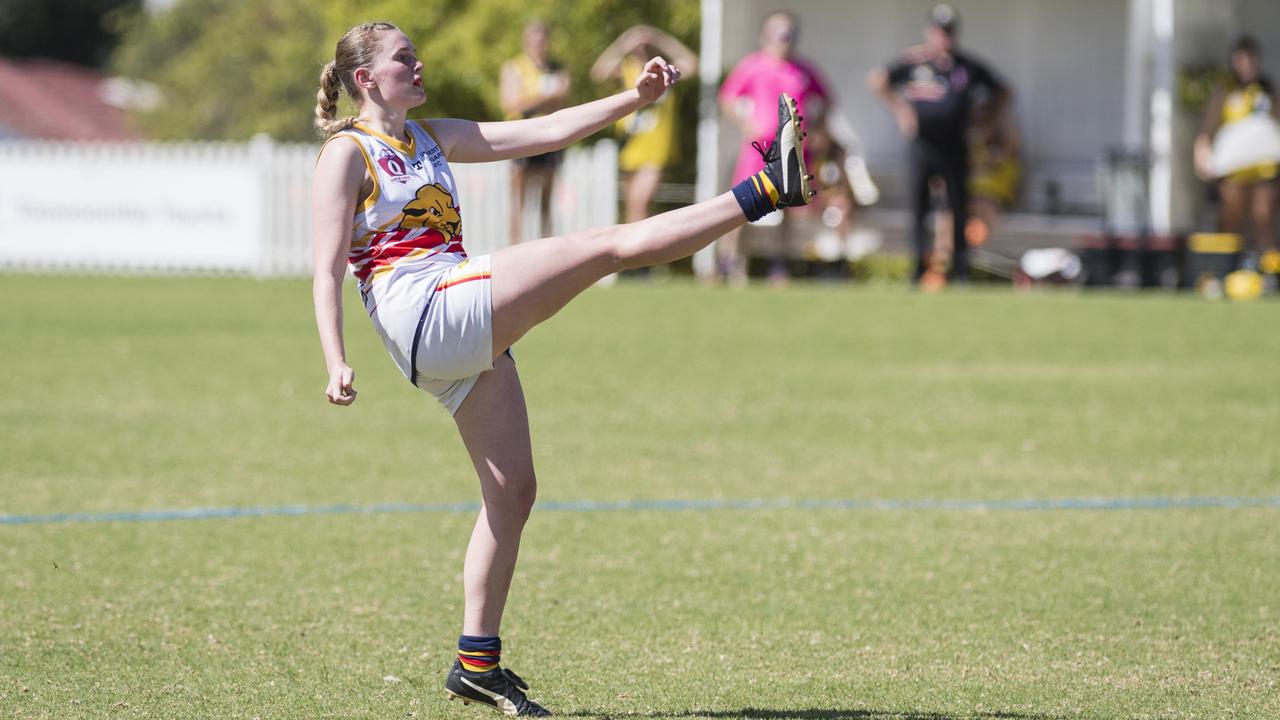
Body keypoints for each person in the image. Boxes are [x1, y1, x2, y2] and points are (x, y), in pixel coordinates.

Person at [311, 21, 813, 716]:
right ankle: (764, 190)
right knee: (604, 245)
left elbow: (545, 132)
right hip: (426, 311)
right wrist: (335, 359)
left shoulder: (431, 136)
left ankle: (475, 663)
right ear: (366, 80)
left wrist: (632, 101)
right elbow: (325, 271)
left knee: (513, 491)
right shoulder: (346, 153)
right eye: (404, 58)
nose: (418, 64)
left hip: (452, 320)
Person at [869, 3, 1009, 284]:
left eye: (948, 31)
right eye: (938, 31)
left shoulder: (967, 67)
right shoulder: (914, 62)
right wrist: (901, 111)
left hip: (955, 145)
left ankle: (959, 268)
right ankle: (919, 267)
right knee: (919, 207)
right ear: (929, 31)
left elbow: (1002, 92)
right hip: (922, 145)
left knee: (957, 205)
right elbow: (878, 80)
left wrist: (984, 122)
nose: (943, 37)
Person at [717, 11, 831, 285]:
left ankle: (779, 266)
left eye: (789, 34)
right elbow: (728, 98)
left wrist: (815, 129)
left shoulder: (804, 70)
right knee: (741, 205)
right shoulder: (752, 66)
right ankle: (730, 262)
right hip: (759, 150)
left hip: (794, 149)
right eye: (778, 34)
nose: (784, 40)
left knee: (790, 207)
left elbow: (825, 100)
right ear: (765, 36)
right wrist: (747, 124)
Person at [591, 25, 698, 226]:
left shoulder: (667, 71)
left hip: (657, 151)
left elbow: (692, 63)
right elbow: (599, 72)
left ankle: (636, 252)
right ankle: (634, 252)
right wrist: (625, 43)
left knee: (640, 204)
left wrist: (660, 39)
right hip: (631, 148)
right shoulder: (628, 69)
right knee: (632, 208)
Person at [1194, 34, 1280, 271]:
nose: (1246, 65)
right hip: (1234, 170)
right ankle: (1227, 269)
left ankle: (1270, 271)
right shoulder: (1225, 92)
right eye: (1241, 59)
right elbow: (1208, 129)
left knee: (1264, 217)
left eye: (1251, 59)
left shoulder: (1267, 91)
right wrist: (1202, 155)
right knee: (1232, 218)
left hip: (1264, 169)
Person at [500, 21, 570, 243]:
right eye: (534, 40)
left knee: (547, 199)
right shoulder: (514, 67)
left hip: (550, 137)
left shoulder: (557, 68)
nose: (539, 45)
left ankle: (547, 249)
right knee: (518, 199)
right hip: (522, 137)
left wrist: (531, 100)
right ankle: (514, 248)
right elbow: (511, 103)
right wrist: (546, 97)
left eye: (542, 40)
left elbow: (563, 98)